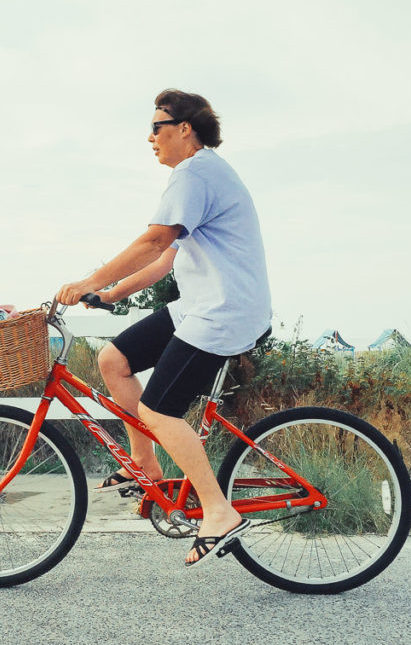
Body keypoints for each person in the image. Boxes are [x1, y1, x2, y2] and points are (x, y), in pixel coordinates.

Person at [56, 88, 272, 569]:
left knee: (158, 411)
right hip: (199, 304)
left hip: (223, 311)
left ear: (184, 129)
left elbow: (154, 239)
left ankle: (219, 513)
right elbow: (165, 258)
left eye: (157, 126)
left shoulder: (194, 173)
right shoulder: (199, 175)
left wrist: (90, 279)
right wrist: (111, 294)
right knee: (114, 361)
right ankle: (145, 467)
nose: (150, 136)